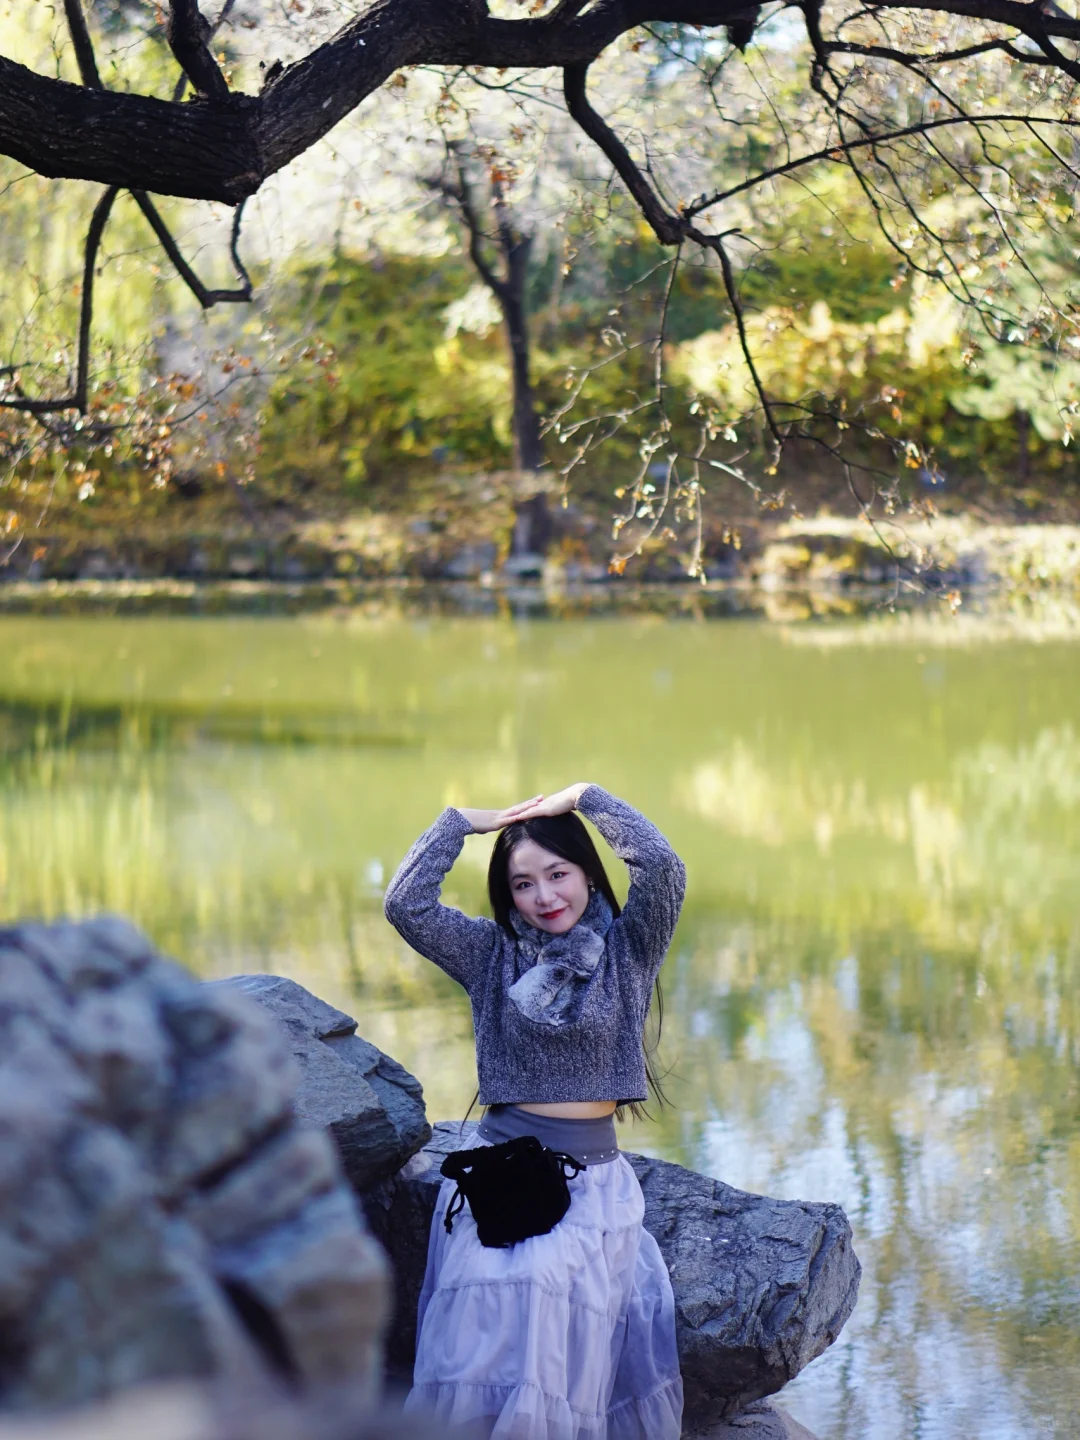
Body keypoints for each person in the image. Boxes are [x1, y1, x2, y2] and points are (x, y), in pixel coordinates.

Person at [383, 781, 686, 1440]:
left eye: (558, 874)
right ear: (507, 894)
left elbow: (663, 867)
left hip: (593, 1185)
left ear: (586, 875)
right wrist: (462, 822)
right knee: (486, 1359)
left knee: (556, 1365)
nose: (545, 896)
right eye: (524, 884)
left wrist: (586, 798)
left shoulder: (628, 951)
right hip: (504, 1178)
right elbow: (405, 903)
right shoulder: (489, 956)